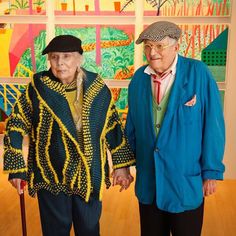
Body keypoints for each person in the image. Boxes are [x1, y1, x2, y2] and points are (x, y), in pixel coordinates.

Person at [3, 35, 135, 236]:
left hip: (89, 173)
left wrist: (122, 166)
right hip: (51, 174)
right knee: (55, 230)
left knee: (89, 229)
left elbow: (113, 126)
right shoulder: (38, 87)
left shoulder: (97, 88)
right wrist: (16, 167)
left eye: (66, 56)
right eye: (54, 57)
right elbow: (16, 122)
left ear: (79, 58)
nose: (60, 63)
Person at [125, 21, 225, 236]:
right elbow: (131, 127)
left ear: (176, 47)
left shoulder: (198, 72)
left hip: (184, 181)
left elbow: (213, 125)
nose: (152, 53)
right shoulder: (138, 80)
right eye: (148, 46)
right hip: (149, 181)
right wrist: (123, 165)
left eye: (159, 46)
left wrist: (211, 171)